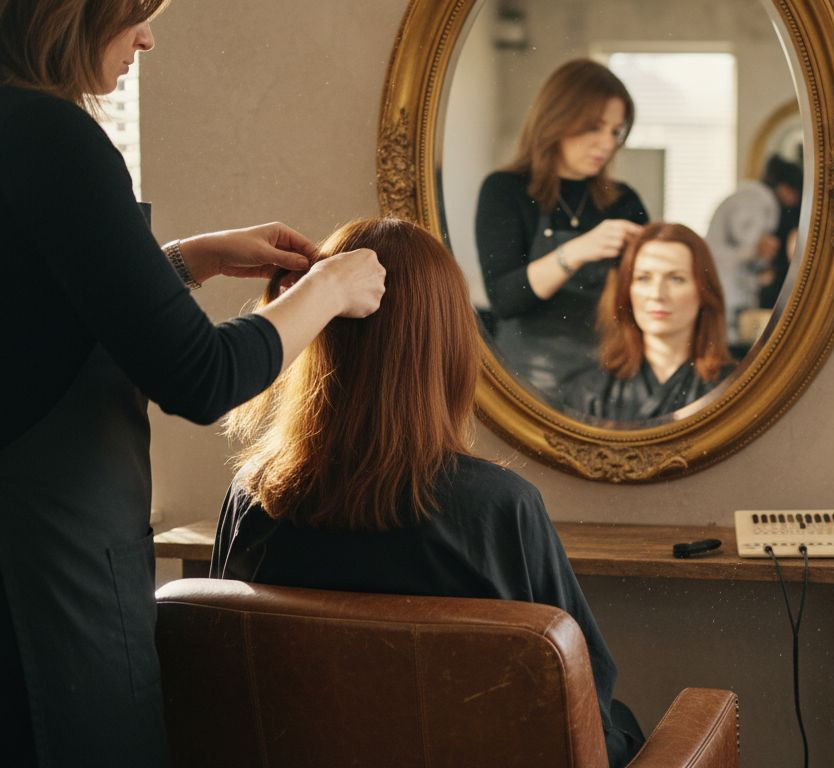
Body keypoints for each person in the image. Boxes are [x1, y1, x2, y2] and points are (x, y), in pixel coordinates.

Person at [0, 2, 387, 765]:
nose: (146, 36)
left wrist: (182, 261)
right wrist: (330, 290)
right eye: (137, 12)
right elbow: (201, 378)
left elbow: (34, 316)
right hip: (47, 589)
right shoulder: (53, 139)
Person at [212, 217, 645, 768]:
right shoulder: (497, 507)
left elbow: (227, 679)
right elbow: (583, 705)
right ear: (448, 343)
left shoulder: (254, 496)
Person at [476, 58, 649, 402]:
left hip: (610, 383)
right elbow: (505, 299)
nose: (606, 143)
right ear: (557, 118)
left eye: (615, 131)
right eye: (594, 127)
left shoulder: (624, 200)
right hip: (526, 385)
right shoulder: (505, 190)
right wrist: (578, 250)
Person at [566, 223, 734, 421]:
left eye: (676, 279)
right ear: (627, 291)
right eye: (644, 278)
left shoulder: (736, 389)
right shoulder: (589, 391)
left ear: (703, 291)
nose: (657, 294)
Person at [704, 154, 803, 340]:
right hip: (728, 285)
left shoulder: (750, 196)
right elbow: (751, 245)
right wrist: (760, 253)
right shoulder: (759, 200)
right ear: (784, 188)